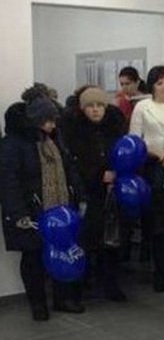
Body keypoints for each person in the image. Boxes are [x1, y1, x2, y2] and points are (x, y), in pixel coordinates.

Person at [1, 95, 87, 320]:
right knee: (33, 257)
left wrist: (79, 195)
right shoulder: (13, 144)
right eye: (48, 120)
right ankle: (38, 304)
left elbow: (69, 169)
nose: (53, 125)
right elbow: (9, 182)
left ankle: (62, 299)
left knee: (61, 251)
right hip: (31, 212)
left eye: (54, 120)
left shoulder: (55, 140)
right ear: (36, 120)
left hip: (60, 209)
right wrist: (18, 214)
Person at [61, 86, 129, 301]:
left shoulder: (115, 127)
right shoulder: (74, 131)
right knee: (86, 239)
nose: (96, 110)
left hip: (113, 190)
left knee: (112, 239)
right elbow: (74, 163)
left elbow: (123, 154)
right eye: (90, 106)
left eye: (100, 105)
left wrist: (115, 172)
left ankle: (110, 283)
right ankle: (83, 282)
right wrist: (97, 174)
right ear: (82, 109)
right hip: (87, 192)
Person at [129, 65, 164, 292]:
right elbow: (135, 139)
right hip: (152, 166)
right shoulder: (142, 107)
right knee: (157, 224)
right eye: (159, 83)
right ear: (152, 85)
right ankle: (159, 273)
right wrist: (157, 153)